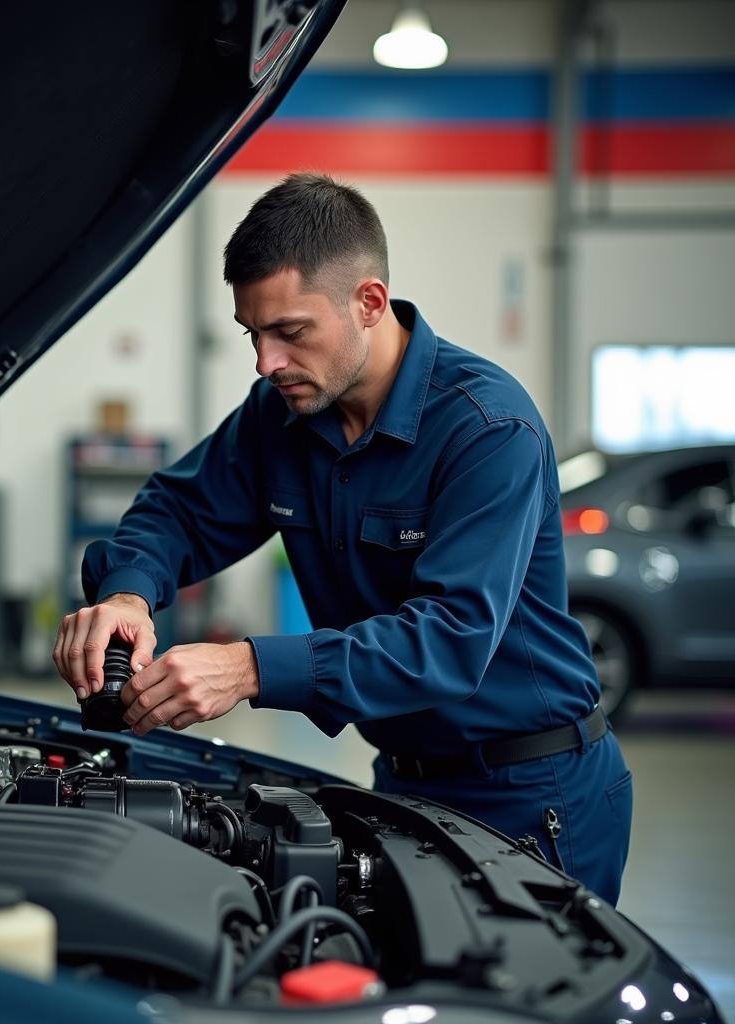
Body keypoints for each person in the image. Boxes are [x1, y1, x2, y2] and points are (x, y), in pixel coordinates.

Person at [53, 173, 632, 905]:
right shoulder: (282, 413)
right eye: (253, 335)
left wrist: (250, 667)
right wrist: (129, 592)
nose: (266, 364)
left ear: (368, 303)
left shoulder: (488, 431)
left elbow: (451, 638)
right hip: (402, 781)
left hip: (534, 794)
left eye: (290, 333)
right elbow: (181, 509)